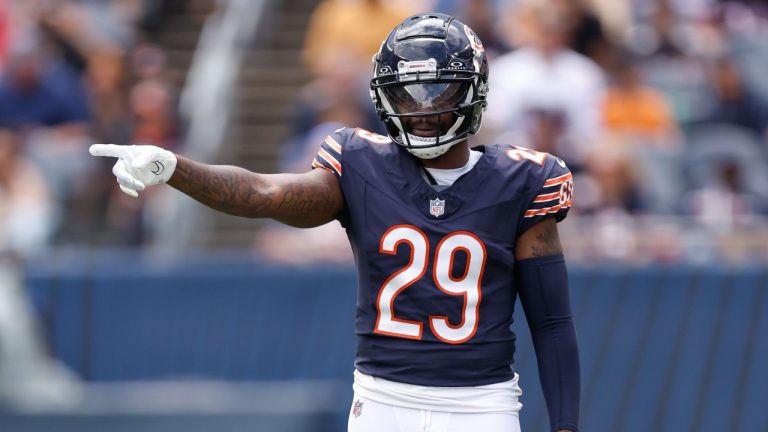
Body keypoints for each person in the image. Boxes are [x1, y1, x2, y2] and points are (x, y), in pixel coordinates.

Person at [90, 13, 580, 432]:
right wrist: (176, 168)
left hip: (482, 407)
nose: (423, 109)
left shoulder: (523, 180)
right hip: (384, 404)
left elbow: (552, 322)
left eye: (438, 90)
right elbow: (263, 193)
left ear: (472, 90)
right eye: (407, 94)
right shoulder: (360, 164)